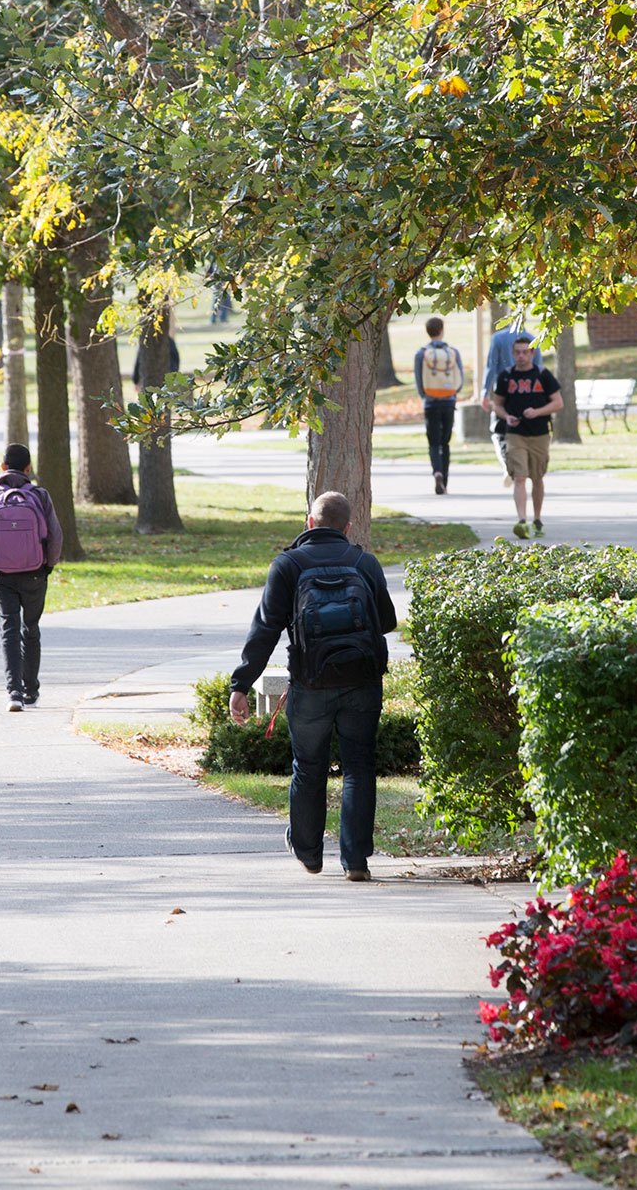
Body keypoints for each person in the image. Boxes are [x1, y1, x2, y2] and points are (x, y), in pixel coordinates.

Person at [226, 492, 399, 882]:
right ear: (348, 527)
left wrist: (242, 684)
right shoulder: (364, 563)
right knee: (359, 768)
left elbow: (266, 629)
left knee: (308, 766)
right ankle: (356, 860)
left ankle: (309, 853)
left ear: (309, 522)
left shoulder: (288, 564)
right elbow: (386, 621)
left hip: (310, 683)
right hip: (362, 682)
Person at [0, 444, 62, 711]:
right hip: (35, 573)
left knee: (8, 630)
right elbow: (55, 535)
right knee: (30, 629)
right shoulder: (40, 495)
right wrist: (48, 565)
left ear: (2, 467)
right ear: (28, 468)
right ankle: (31, 690)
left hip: (0, 574)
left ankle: (14, 693)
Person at [484, 334, 564, 538]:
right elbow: (498, 404)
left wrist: (537, 412)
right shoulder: (506, 376)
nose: (521, 356)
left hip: (539, 433)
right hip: (514, 434)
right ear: (512, 354)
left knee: (537, 477)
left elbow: (558, 403)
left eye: (525, 352)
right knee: (519, 477)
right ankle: (522, 521)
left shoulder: (543, 375)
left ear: (532, 353)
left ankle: (537, 519)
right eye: (517, 353)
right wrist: (507, 417)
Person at [412, 317, 469, 495]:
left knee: (433, 442)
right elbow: (459, 379)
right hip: (448, 401)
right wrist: (452, 393)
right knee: (445, 442)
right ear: (442, 330)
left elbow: (419, 380)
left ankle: (436, 472)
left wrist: (425, 396)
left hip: (430, 402)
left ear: (427, 331)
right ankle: (444, 481)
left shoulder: (421, 354)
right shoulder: (453, 352)